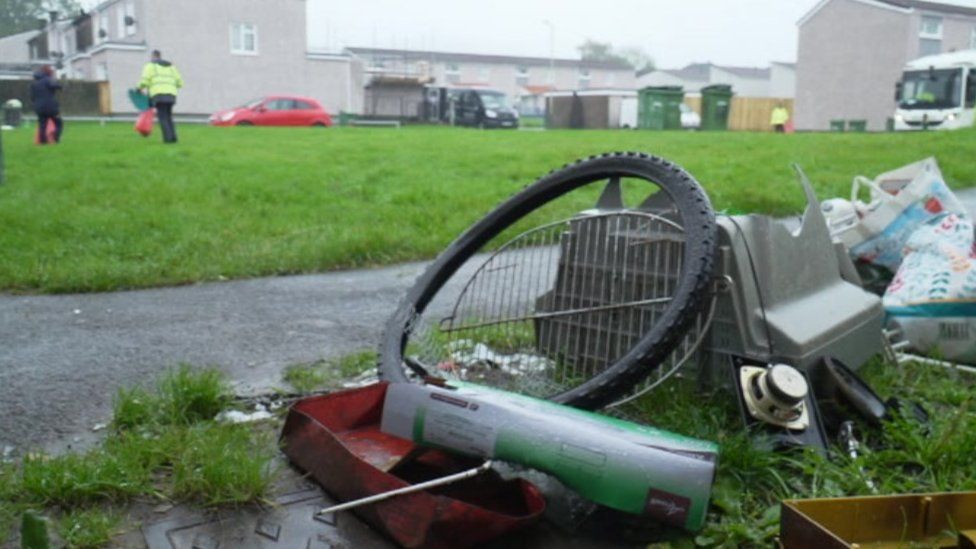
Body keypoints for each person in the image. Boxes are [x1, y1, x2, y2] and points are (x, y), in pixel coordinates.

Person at [138, 50, 183, 144]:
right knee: (168, 116)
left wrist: (139, 88)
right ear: (160, 56)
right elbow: (180, 83)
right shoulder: (171, 67)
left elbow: (145, 80)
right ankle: (174, 138)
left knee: (162, 117)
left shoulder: (150, 66)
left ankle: (168, 140)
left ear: (153, 57)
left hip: (158, 94)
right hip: (171, 95)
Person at [29, 65, 63, 144]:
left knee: (42, 125)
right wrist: (60, 87)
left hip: (39, 107)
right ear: (49, 72)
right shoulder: (48, 80)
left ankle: (43, 141)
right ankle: (55, 137)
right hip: (50, 107)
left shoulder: (34, 84)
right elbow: (53, 85)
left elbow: (32, 97)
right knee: (59, 123)